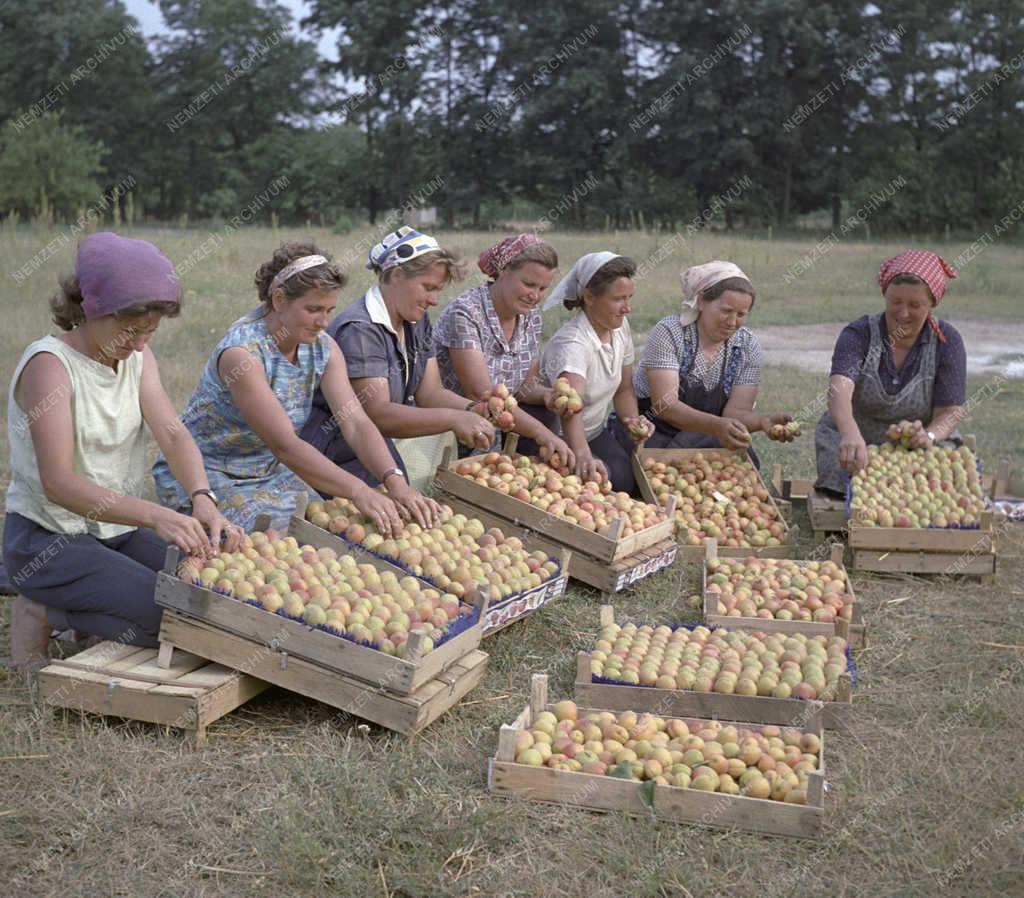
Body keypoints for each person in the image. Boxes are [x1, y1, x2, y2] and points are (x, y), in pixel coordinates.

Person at [3, 232, 240, 667]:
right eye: (131, 329)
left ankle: (91, 609)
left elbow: (172, 433)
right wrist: (155, 514)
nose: (141, 342)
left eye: (150, 330)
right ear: (91, 309)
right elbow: (58, 483)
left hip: (116, 532)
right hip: (49, 538)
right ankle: (44, 608)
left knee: (210, 595)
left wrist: (202, 498)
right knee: (174, 620)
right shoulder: (50, 368)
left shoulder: (138, 360)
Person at [154, 241, 439, 534]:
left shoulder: (323, 349)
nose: (323, 321)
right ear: (278, 299)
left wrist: (394, 481)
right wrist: (358, 490)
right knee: (278, 541)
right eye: (313, 309)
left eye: (329, 310)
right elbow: (285, 445)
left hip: (268, 471)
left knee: (329, 526)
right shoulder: (243, 355)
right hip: (207, 474)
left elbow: (355, 422)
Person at [300, 226, 496, 476]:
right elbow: (377, 413)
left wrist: (473, 409)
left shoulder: (416, 320)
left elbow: (430, 392)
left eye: (438, 289)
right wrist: (453, 419)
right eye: (428, 287)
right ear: (396, 275)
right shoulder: (360, 329)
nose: (434, 299)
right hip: (338, 449)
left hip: (376, 442)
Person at [815, 250, 966, 496]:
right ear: (885, 295)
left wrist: (928, 435)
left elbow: (950, 412)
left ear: (932, 304)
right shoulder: (859, 334)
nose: (903, 313)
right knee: (846, 481)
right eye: (896, 302)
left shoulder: (947, 341)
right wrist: (849, 433)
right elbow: (839, 390)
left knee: (932, 483)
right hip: (856, 439)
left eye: (915, 305)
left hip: (914, 447)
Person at [633, 261, 795, 462]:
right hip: (653, 428)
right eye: (726, 310)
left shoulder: (746, 345)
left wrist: (763, 422)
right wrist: (718, 427)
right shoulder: (670, 332)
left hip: (704, 434)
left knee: (746, 462)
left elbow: (735, 413)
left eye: (741, 314)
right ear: (701, 301)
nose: (732, 321)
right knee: (650, 468)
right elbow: (666, 406)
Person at [432, 233, 574, 464]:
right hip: (456, 426)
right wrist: (542, 433)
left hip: (497, 424)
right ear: (504, 271)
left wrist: (547, 395)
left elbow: (526, 385)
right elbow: (480, 394)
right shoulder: (466, 313)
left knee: (547, 416)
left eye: (542, 288)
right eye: (528, 284)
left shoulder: (530, 317)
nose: (534, 295)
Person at [536, 252, 650, 493]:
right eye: (619, 299)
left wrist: (632, 420)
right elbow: (570, 407)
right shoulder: (574, 345)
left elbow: (624, 388)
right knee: (596, 485)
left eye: (630, 297)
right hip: (558, 436)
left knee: (625, 479)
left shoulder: (619, 328)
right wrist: (582, 455)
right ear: (589, 296)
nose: (627, 308)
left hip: (593, 431)